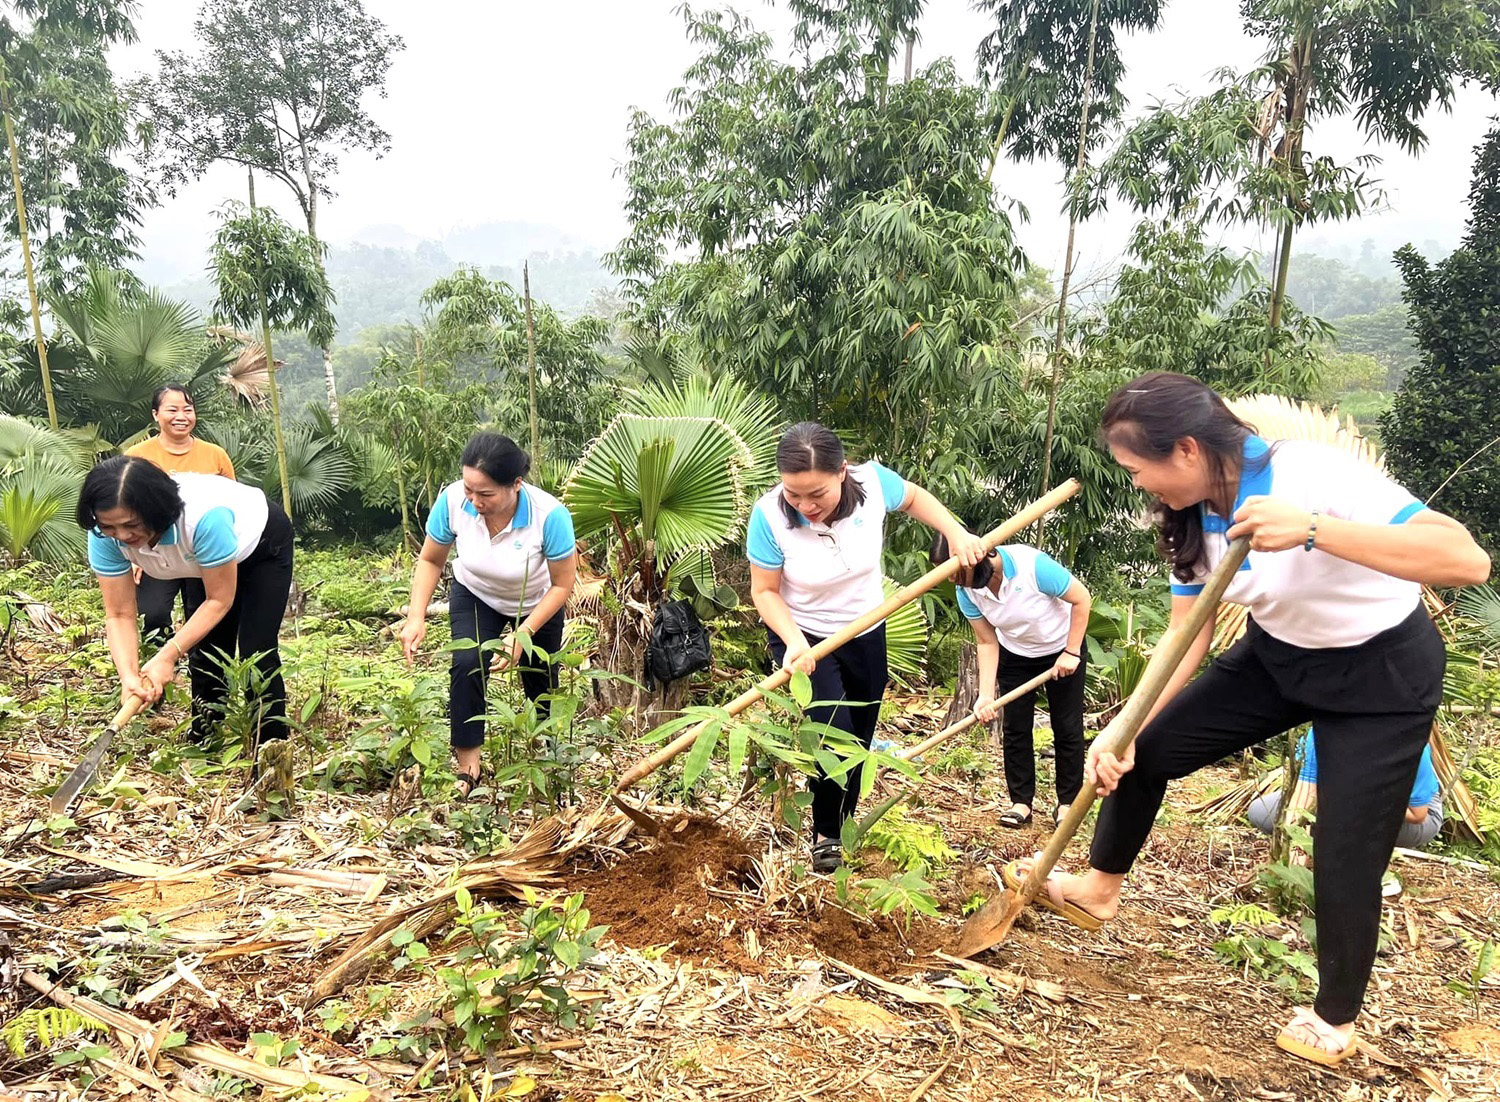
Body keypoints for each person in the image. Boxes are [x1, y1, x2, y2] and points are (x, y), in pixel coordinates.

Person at [1010, 372, 1489, 1067]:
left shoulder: (1311, 474)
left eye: (1138, 469)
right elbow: (1185, 634)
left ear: (1185, 449)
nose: (1138, 485)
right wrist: (1124, 726)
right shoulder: (1187, 513)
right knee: (1146, 748)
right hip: (1278, 659)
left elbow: (1465, 560)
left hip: (1380, 675)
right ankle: (1097, 890)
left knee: (1346, 848)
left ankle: (1334, 1016)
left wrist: (1316, 531)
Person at [747, 422, 987, 872]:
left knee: (859, 732)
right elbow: (764, 592)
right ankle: (826, 835)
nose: (805, 506)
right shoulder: (769, 516)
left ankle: (845, 821)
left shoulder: (873, 484)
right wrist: (796, 643)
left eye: (815, 493)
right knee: (832, 730)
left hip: (865, 628)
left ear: (842, 472)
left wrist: (955, 532)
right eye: (794, 494)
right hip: (800, 636)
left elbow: (914, 497)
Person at [400, 433, 578, 799]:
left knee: (540, 678)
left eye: (486, 494)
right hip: (476, 593)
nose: (474, 501)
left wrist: (522, 635)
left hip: (536, 599)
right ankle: (468, 769)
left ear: (516, 484)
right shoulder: (452, 501)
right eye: (469, 489)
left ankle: (548, 760)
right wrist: (416, 615)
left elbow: (563, 585)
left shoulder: (550, 516)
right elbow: (432, 559)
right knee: (467, 664)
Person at [77, 457, 293, 749]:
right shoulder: (104, 534)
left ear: (156, 512)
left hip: (260, 546)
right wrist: (129, 676)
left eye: (132, 524)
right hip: (198, 559)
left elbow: (219, 600)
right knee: (206, 649)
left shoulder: (203, 519)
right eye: (111, 526)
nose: (124, 536)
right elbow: (118, 613)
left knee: (256, 650)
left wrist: (166, 657)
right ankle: (205, 739)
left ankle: (270, 745)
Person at [932, 536, 1092, 828]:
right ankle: (1021, 803)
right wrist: (984, 695)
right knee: (1015, 728)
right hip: (1016, 653)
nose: (955, 582)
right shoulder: (966, 591)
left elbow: (1082, 598)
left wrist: (1071, 651)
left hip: (1062, 646)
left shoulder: (1033, 567)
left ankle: (1068, 804)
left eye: (957, 573)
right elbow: (986, 640)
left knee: (1066, 727)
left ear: (980, 557)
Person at [125, 384, 237, 644]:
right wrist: (131, 556)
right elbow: (126, 508)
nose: (181, 416)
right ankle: (161, 671)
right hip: (155, 551)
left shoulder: (215, 454)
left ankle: (204, 681)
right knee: (152, 615)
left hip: (204, 551)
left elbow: (232, 503)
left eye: (188, 409)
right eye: (172, 409)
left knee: (206, 621)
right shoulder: (136, 457)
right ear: (155, 414)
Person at [1249, 729, 1444, 851]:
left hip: (1414, 811)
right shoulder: (1321, 734)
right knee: (1262, 811)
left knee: (1351, 813)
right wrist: (1293, 871)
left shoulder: (1404, 741)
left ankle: (1370, 874)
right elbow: (1302, 804)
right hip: (1339, 796)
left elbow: (1418, 814)